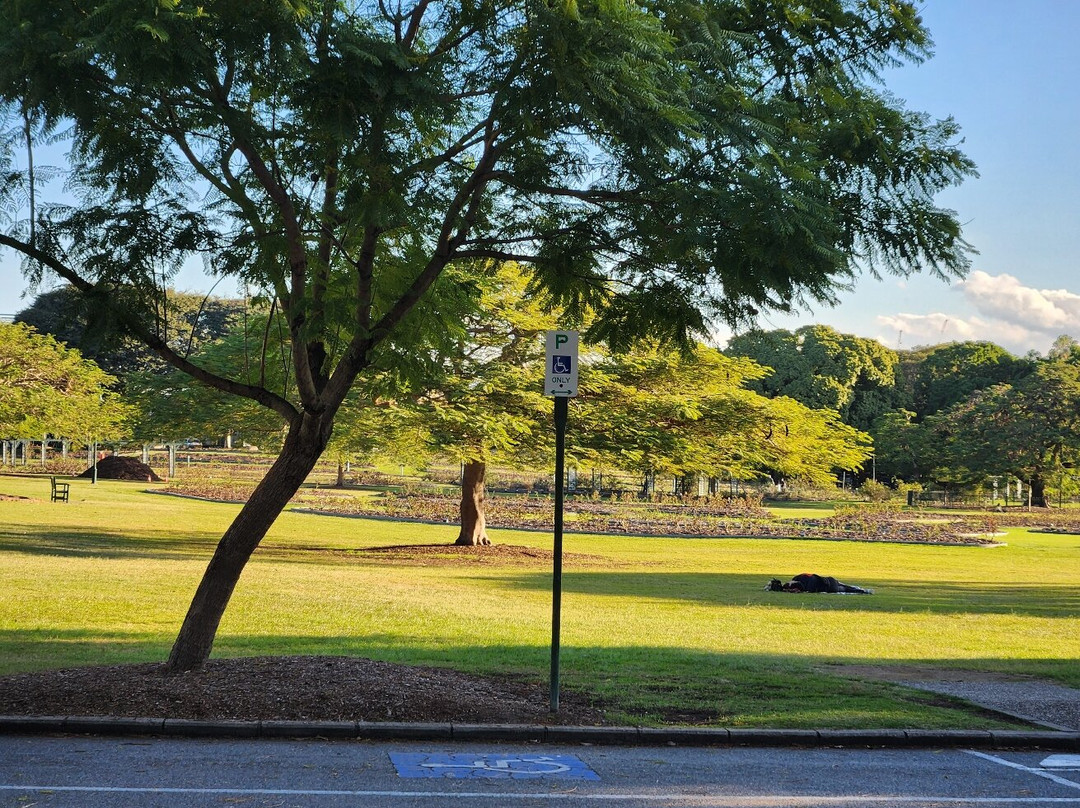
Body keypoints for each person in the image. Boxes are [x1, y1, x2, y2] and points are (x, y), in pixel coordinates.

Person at [766, 574, 872, 594]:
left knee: (845, 589)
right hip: (829, 580)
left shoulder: (805, 586)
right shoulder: (799, 577)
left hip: (828, 586)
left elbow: (801, 588)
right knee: (847, 588)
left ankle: (861, 591)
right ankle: (861, 590)